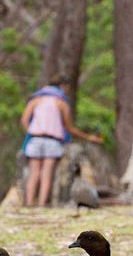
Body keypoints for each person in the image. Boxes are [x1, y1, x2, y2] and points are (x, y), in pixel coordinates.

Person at [21, 76, 103, 207]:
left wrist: (32, 132)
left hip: (35, 139)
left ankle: (29, 203)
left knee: (34, 172)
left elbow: (24, 120)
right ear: (63, 85)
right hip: (52, 141)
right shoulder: (61, 102)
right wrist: (88, 137)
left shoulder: (36, 99)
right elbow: (69, 128)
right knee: (46, 174)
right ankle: (42, 204)